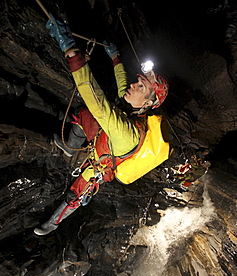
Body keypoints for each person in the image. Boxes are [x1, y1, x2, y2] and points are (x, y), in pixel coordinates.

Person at [34, 14, 170, 236]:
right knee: (83, 114)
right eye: (139, 81)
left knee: (73, 196)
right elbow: (123, 83)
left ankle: (51, 224)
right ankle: (69, 148)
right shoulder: (132, 108)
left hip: (100, 164)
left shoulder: (128, 132)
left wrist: (71, 52)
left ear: (147, 103)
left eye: (141, 87)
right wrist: (115, 57)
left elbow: (98, 104)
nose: (134, 86)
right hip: (102, 139)